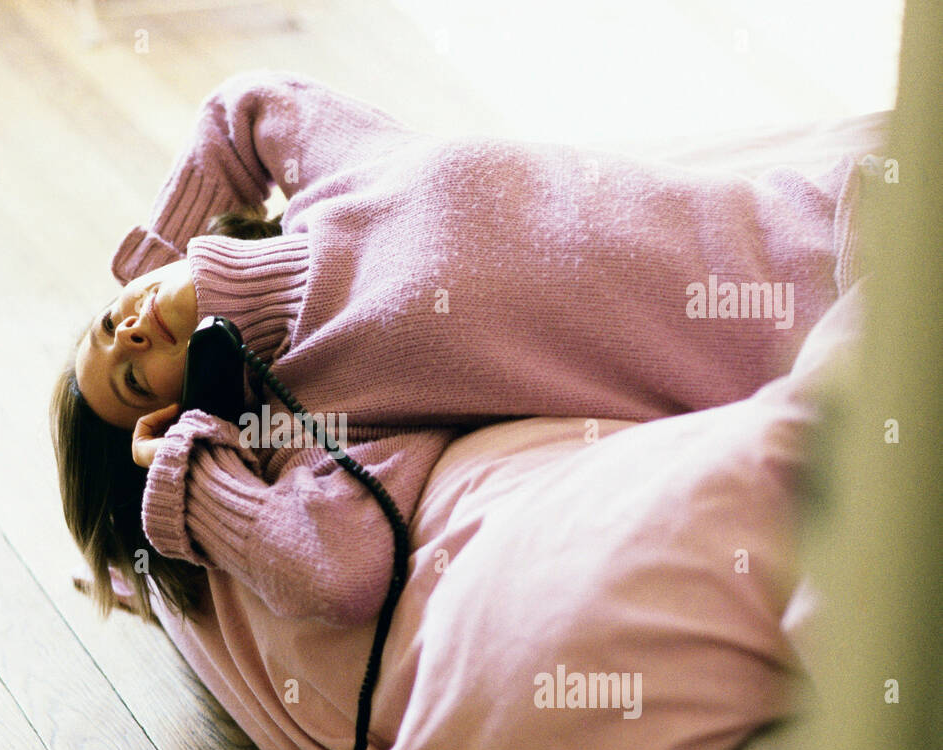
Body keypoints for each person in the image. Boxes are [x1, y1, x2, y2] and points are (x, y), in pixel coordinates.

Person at [50, 69, 864, 629]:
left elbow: (246, 105)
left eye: (104, 325)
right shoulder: (323, 398)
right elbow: (338, 567)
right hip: (827, 342)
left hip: (835, 207)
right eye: (130, 375)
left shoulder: (337, 177)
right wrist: (191, 477)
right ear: (170, 411)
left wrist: (164, 252)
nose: (126, 333)